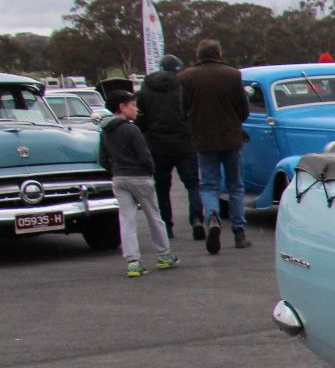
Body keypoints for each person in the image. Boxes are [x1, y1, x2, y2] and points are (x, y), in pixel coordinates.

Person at [180, 38, 251, 253]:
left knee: (209, 185)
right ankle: (239, 232)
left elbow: (183, 110)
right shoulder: (233, 75)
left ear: (198, 56)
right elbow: (243, 109)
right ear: (219, 54)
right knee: (235, 186)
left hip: (203, 139)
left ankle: (212, 216)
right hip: (231, 137)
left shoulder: (186, 77)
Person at [99, 91, 179, 276]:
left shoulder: (105, 130)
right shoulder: (131, 129)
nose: (137, 109)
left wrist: (115, 170)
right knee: (154, 215)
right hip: (139, 176)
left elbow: (103, 158)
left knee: (126, 219)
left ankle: (133, 262)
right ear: (122, 106)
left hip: (119, 177)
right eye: (133, 105)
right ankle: (164, 254)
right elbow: (144, 155)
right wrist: (150, 171)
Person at [135, 54, 203, 239]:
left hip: (157, 144)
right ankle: (197, 218)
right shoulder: (183, 87)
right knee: (193, 184)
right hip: (184, 143)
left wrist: (146, 135)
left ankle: (167, 225)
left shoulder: (146, 88)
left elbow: (141, 117)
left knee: (162, 187)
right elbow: (192, 111)